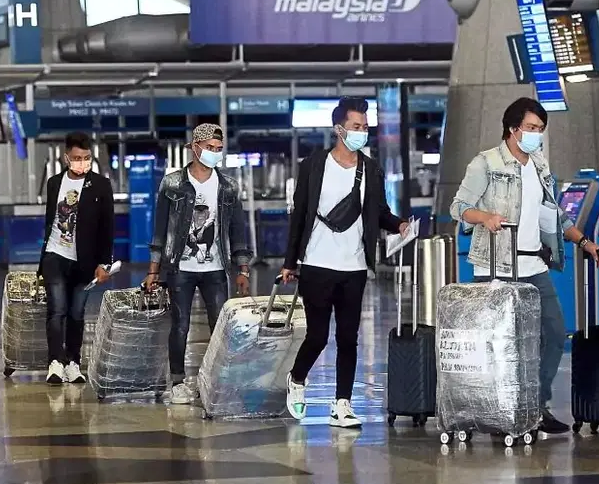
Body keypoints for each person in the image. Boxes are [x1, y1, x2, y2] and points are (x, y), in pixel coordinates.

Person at [450, 97, 599, 435]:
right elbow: (459, 207)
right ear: (512, 128)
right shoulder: (486, 164)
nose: (537, 135)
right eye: (532, 128)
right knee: (502, 342)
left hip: (535, 265)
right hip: (497, 266)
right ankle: (499, 410)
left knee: (552, 332)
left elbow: (556, 216)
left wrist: (584, 242)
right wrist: (486, 217)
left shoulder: (540, 166)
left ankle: (536, 404)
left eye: (540, 129)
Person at [282, 97, 408, 428]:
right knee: (318, 335)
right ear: (339, 129)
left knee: (349, 338)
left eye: (365, 127)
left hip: (354, 266)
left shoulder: (372, 169)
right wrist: (289, 261)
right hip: (316, 263)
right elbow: (299, 215)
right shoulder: (313, 165)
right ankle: (297, 379)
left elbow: (379, 212)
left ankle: (343, 404)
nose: (362, 132)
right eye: (356, 126)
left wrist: (400, 225)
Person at [145, 124, 252, 405]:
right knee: (180, 325)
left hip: (216, 269)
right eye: (209, 148)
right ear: (195, 148)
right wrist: (153, 271)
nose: (215, 154)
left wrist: (242, 269)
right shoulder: (171, 184)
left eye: (219, 149)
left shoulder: (227, 187)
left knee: (220, 326)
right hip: (180, 269)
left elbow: (237, 231)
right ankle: (178, 381)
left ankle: (216, 378)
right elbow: (159, 231)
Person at [38, 132, 115, 385]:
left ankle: (73, 362)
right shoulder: (53, 183)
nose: (82, 163)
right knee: (56, 310)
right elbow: (51, 221)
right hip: (55, 256)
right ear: (66, 158)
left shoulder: (101, 186)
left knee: (76, 313)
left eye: (86, 158)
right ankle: (55, 362)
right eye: (77, 158)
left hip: (84, 261)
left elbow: (107, 228)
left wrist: (104, 263)